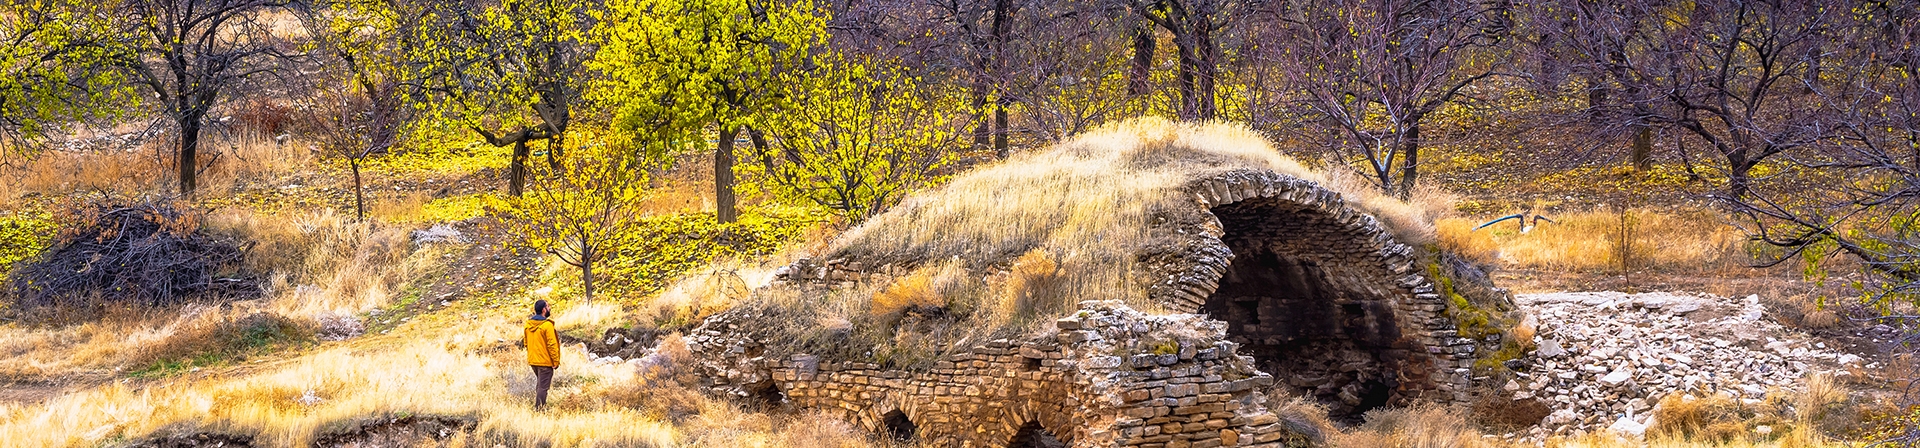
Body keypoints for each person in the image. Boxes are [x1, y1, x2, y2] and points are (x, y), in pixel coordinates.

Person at [525, 299, 560, 410]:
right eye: (548, 306)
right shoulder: (547, 326)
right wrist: (555, 361)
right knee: (543, 387)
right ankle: (539, 409)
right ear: (544, 310)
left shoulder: (528, 325)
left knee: (540, 385)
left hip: (533, 361)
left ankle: (540, 406)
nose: (549, 308)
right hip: (545, 362)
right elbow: (552, 345)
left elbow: (526, 343)